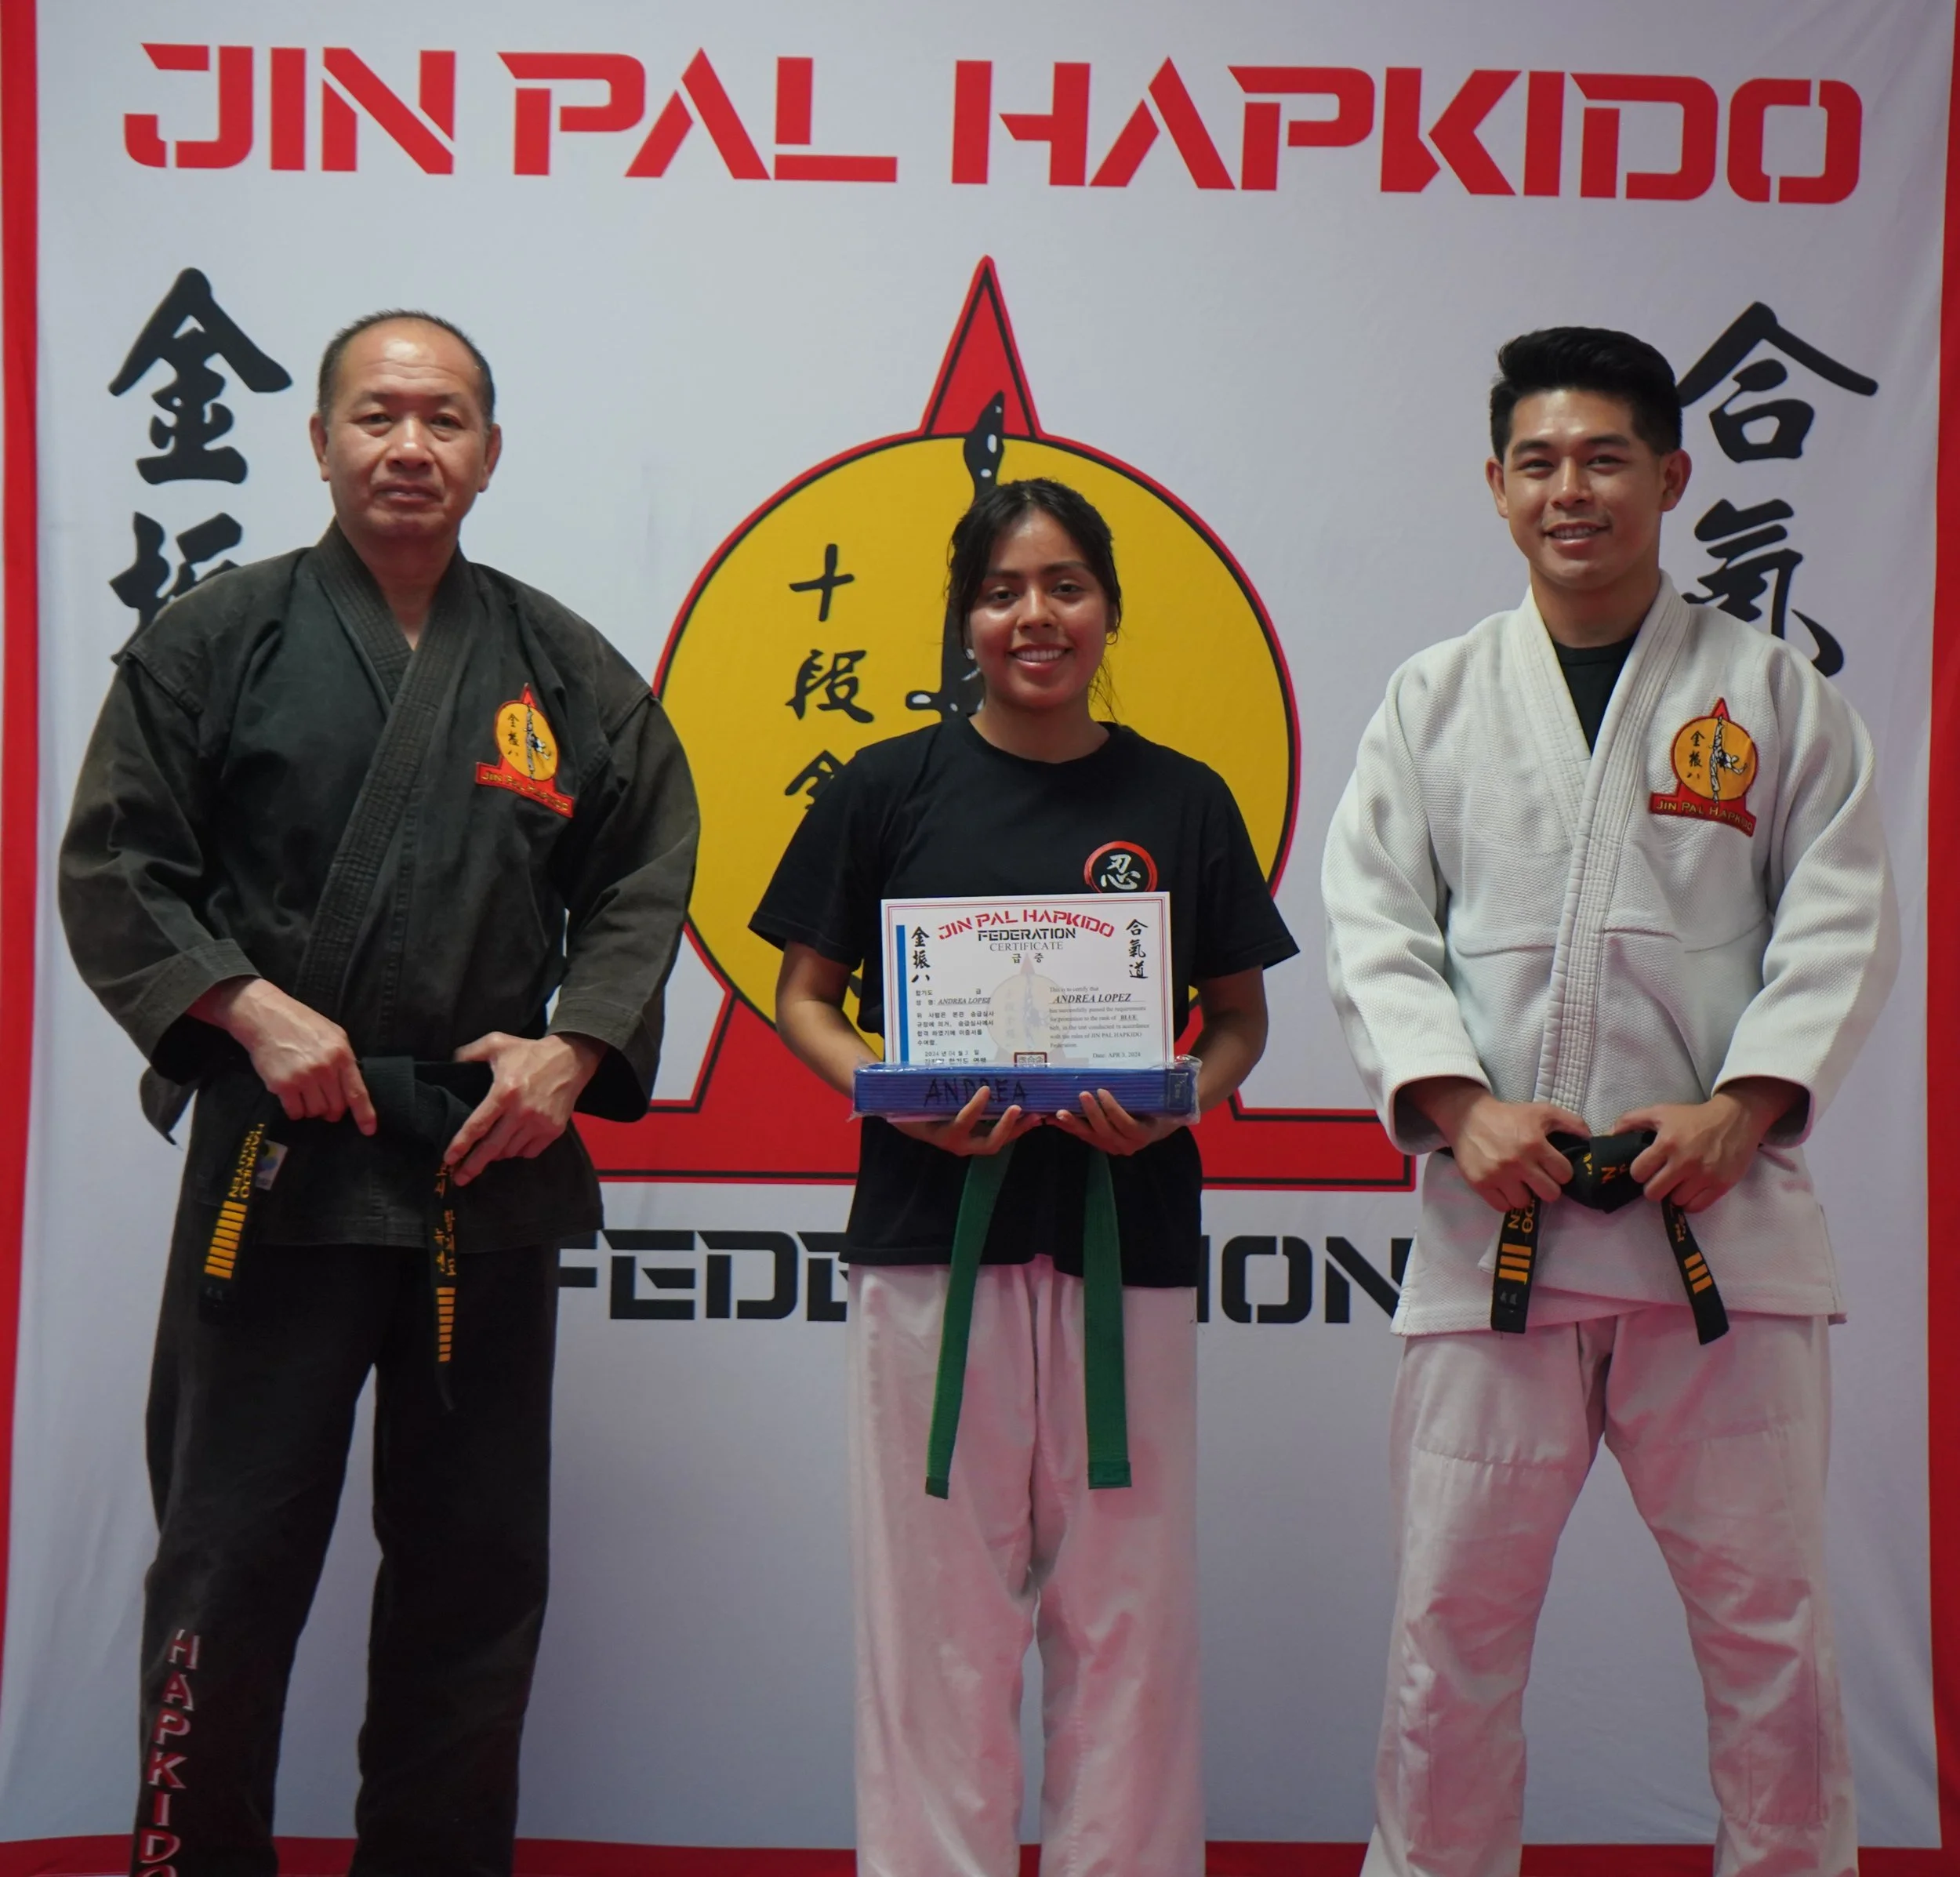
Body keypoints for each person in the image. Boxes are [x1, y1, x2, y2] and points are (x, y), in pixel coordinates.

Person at [60, 310, 698, 1877]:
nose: (410, 446)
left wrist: (575, 1045)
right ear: (321, 440)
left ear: (488, 450)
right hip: (279, 1163)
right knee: (228, 1556)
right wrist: (243, 1004)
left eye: (444, 418)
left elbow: (643, 868)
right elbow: (117, 862)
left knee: (474, 1572)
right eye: (377, 415)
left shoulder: (561, 666)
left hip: (485, 1160)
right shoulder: (217, 640)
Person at [1322, 325, 1898, 1877]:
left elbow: (1838, 919)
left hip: (1716, 1236)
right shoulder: (1435, 699)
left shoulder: (1769, 694)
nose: (1567, 489)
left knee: (1769, 1639)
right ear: (1495, 486)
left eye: (1602, 459)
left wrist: (1743, 1107)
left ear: (1670, 477)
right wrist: (1458, 1105)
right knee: (1447, 1636)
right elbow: (1372, 923)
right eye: (1537, 462)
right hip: (1494, 1239)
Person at [753, 477, 1298, 1877]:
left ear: (1109, 608)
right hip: (932, 1236)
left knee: (1130, 1614)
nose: (1033, 616)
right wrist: (900, 1094)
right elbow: (804, 995)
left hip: (1129, 1234)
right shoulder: (887, 788)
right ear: (964, 619)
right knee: (935, 1617)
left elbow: (1241, 1021)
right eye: (1001, 592)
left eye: (1065, 586)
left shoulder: (1182, 797)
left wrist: (1177, 1102)